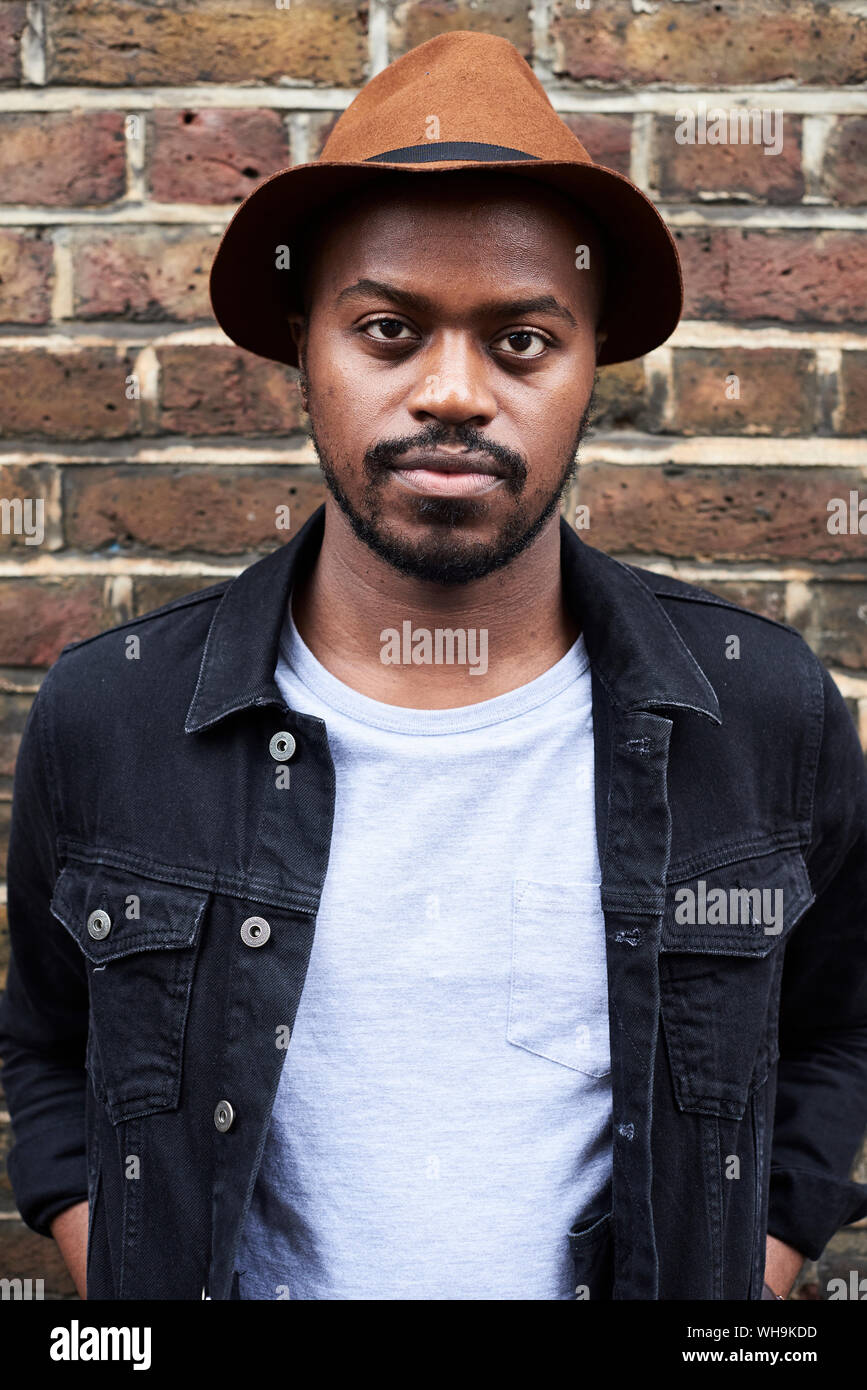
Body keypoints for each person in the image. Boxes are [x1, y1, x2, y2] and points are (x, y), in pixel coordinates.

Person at [1, 31, 865, 1302]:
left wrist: (754, 1269)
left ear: (591, 369)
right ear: (306, 346)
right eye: (390, 329)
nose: (454, 392)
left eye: (521, 339)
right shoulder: (115, 714)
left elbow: (835, 1030)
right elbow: (48, 1051)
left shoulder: (761, 714)